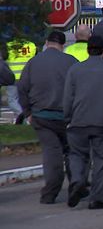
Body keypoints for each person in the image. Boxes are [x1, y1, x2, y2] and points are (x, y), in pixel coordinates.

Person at [18, 31, 78, 204]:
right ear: (63, 44)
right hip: (67, 117)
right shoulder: (70, 62)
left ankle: (50, 192)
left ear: (46, 42)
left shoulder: (33, 62)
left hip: (41, 116)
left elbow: (22, 88)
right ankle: (76, 184)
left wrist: (28, 112)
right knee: (73, 152)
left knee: (52, 153)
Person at [63, 36, 103, 209]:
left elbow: (67, 98)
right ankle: (97, 198)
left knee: (76, 155)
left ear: (88, 50)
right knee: (102, 160)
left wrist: (67, 118)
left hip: (78, 121)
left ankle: (77, 181)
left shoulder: (74, 70)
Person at [6, 38, 37, 124]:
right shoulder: (31, 45)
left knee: (12, 100)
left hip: (12, 77)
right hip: (27, 77)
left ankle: (23, 116)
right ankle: (26, 116)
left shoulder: (8, 45)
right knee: (27, 99)